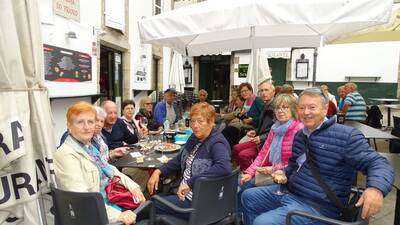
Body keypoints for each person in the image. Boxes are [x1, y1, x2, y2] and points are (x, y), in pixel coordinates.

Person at [242, 87, 394, 225]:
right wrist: (284, 172)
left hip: (319, 206)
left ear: (325, 108)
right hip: (292, 192)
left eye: (312, 107)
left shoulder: (345, 136)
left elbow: (378, 162)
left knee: (263, 222)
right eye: (302, 108)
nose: (306, 112)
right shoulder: (301, 135)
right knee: (248, 196)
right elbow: (294, 165)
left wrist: (376, 189)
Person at [54, 101, 146, 225]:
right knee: (147, 212)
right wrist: (118, 215)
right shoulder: (66, 154)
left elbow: (110, 169)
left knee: (145, 204)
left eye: (90, 122)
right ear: (69, 126)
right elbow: (83, 200)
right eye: (80, 122)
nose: (86, 127)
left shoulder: (89, 147)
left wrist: (133, 186)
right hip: (96, 215)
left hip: (110, 199)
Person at [147, 103, 232, 219]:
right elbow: (179, 159)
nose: (195, 126)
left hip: (198, 204)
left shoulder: (217, 143)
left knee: (151, 205)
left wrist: (190, 182)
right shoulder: (195, 137)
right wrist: (158, 171)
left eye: (200, 121)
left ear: (211, 122)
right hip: (184, 193)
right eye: (193, 121)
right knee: (153, 198)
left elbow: (224, 167)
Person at [238, 94, 303, 213]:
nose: (280, 111)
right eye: (277, 108)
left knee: (247, 190)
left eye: (285, 107)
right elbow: (262, 154)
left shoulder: (298, 130)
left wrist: (273, 169)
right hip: (272, 171)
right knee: (243, 181)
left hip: (288, 176)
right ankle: (240, 216)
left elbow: (296, 163)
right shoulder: (275, 128)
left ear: (293, 110)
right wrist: (250, 172)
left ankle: (243, 215)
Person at [232, 81, 275, 171]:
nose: (263, 93)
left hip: (267, 143)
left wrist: (261, 137)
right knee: (236, 148)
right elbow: (264, 125)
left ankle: (251, 174)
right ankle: (243, 171)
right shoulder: (265, 105)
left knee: (243, 154)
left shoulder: (275, 108)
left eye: (266, 90)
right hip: (259, 137)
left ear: (273, 92)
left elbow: (276, 130)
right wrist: (256, 131)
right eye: (261, 91)